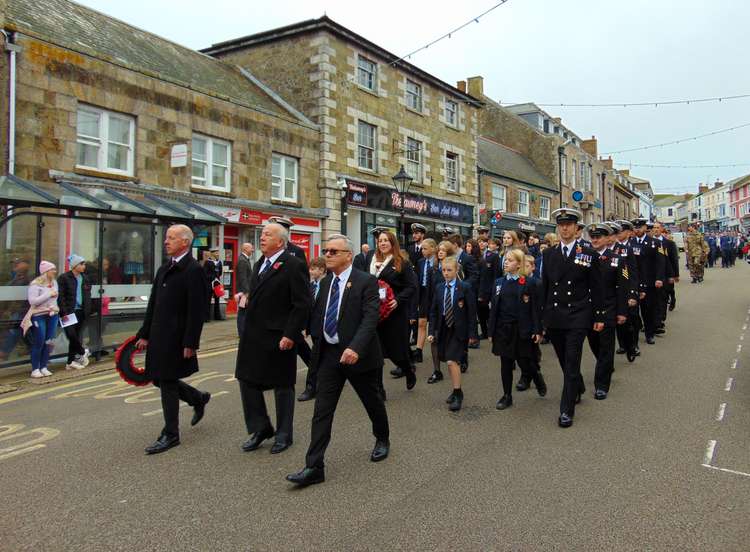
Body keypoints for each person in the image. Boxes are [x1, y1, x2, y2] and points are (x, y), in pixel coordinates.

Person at [286, 235, 390, 487]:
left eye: (334, 251)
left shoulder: (367, 281)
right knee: (322, 410)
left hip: (358, 356)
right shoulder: (325, 283)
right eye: (326, 250)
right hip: (330, 356)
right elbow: (318, 313)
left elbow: (370, 318)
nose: (328, 255)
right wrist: (300, 331)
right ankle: (314, 466)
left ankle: (382, 437)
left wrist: (355, 347)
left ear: (348, 256)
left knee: (372, 401)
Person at [235, 223, 310, 455]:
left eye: (268, 234)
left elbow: (302, 303)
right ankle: (261, 427)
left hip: (280, 336)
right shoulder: (259, 263)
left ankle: (284, 434)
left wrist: (290, 334)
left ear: (280, 241)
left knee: (282, 385)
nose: (263, 238)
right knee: (246, 379)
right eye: (262, 234)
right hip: (254, 334)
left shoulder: (293, 265)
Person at [135, 225, 211, 454]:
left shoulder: (193, 270)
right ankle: (197, 398)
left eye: (171, 238)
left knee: (166, 382)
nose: (166, 241)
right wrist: (144, 334)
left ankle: (171, 434)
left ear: (185, 242)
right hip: (159, 335)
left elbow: (197, 310)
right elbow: (153, 304)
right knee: (158, 379)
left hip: (177, 337)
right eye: (166, 237)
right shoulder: (164, 268)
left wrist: (190, 342)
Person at [541, 208, 604, 428]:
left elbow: (596, 287)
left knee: (571, 360)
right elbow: (546, 288)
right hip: (556, 316)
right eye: (561, 225)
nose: (565, 228)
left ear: (577, 229)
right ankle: (577, 386)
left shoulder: (587, 253)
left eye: (569, 225)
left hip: (578, 314)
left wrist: (598, 315)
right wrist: (543, 319)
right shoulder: (548, 254)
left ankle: (566, 409)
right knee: (562, 359)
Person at [488, 249, 544, 411]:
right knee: (505, 363)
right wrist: (491, 331)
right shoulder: (499, 283)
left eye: (511, 260)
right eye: (505, 259)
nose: (506, 262)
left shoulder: (528, 283)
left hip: (522, 329)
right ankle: (507, 396)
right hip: (503, 330)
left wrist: (537, 330)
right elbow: (495, 310)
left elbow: (535, 309)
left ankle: (537, 377)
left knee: (525, 361)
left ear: (519, 264)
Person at [370, 230, 418, 392]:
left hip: (394, 313)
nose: (382, 243)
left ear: (392, 243)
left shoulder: (401, 262)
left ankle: (408, 370)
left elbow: (412, 286)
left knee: (396, 352)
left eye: (386, 241)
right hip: (374, 313)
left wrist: (398, 300)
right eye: (380, 241)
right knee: (375, 353)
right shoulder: (371, 261)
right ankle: (379, 389)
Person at [428, 256, 478, 411]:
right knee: (447, 360)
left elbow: (471, 312)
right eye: (443, 270)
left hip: (459, 330)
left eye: (449, 270)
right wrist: (431, 331)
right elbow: (434, 311)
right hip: (444, 328)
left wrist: (473, 334)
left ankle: (458, 394)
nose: (446, 273)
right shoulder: (439, 287)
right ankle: (457, 389)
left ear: (456, 271)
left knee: (451, 361)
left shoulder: (465, 287)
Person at [586, 224, 629, 400]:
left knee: (606, 347)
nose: (595, 240)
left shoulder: (617, 259)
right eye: (593, 237)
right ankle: (605, 364)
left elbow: (622, 288)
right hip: (588, 310)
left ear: (607, 238)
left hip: (609, 309)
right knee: (594, 344)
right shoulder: (584, 258)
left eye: (599, 237)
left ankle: (602, 384)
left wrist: (622, 311)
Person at [514, 255, 547, 395]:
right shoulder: (517, 282)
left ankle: (534, 377)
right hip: (517, 324)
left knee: (529, 355)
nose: (523, 268)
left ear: (533, 267)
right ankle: (527, 375)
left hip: (532, 325)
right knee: (520, 356)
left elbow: (540, 308)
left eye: (527, 266)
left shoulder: (537, 283)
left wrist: (540, 328)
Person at [630, 218, 666, 345]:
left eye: (640, 227)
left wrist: (659, 278)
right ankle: (633, 338)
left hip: (649, 282)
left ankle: (649, 334)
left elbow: (661, 263)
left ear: (645, 228)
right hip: (634, 282)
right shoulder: (630, 242)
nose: (637, 229)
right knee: (633, 311)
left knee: (648, 310)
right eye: (635, 227)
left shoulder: (655, 242)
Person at [23, 261, 60, 378]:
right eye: (52, 270)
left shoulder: (54, 282)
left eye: (54, 269)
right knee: (39, 341)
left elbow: (55, 298)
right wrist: (48, 294)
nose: (54, 271)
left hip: (52, 315)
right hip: (38, 315)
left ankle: (44, 366)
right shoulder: (35, 284)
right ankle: (35, 369)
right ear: (45, 272)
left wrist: (55, 308)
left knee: (48, 341)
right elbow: (33, 301)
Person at [298, 256, 328, 402]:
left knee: (317, 359)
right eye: (310, 268)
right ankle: (314, 386)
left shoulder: (329, 284)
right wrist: (305, 326)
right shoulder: (311, 286)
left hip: (328, 328)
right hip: (315, 329)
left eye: (313, 269)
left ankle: (311, 388)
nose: (310, 271)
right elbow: (307, 308)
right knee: (318, 358)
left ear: (322, 270)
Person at [58, 254, 92, 370]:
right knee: (71, 335)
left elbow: (88, 295)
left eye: (84, 264)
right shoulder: (64, 277)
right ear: (75, 265)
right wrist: (64, 312)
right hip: (67, 312)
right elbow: (61, 296)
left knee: (76, 336)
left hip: (81, 312)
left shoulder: (85, 278)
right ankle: (83, 352)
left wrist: (88, 309)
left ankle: (70, 362)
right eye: (82, 264)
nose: (84, 266)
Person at [414, 238, 439, 364]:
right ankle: (419, 351)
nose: (422, 251)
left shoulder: (438, 262)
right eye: (422, 248)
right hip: (423, 294)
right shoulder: (420, 262)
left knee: (436, 324)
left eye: (425, 248)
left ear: (433, 248)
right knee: (421, 322)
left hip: (435, 294)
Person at [478, 237, 501, 341]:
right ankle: (484, 331)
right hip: (481, 287)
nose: (490, 245)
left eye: (493, 244)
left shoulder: (495, 256)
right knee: (481, 311)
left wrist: (494, 289)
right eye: (490, 243)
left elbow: (496, 274)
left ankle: (490, 331)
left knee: (488, 311)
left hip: (489, 288)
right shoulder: (482, 255)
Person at [235, 242, 254, 336]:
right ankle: (242, 333)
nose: (253, 250)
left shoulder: (244, 259)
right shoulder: (242, 260)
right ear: (245, 249)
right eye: (251, 248)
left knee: (244, 311)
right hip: (243, 293)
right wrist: (246, 293)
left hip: (244, 291)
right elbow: (243, 278)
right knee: (242, 312)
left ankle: (243, 331)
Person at [203, 247, 224, 321]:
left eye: (218, 252)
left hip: (216, 283)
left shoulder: (219, 262)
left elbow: (220, 272)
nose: (218, 254)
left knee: (217, 300)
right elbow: (205, 274)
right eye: (216, 252)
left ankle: (217, 316)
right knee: (207, 300)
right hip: (209, 283)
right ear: (212, 253)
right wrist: (212, 278)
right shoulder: (207, 262)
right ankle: (206, 317)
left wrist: (217, 278)